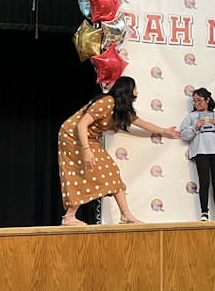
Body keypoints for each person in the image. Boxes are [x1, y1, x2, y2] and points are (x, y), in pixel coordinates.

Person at [58, 76, 179, 226]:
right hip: (73, 135)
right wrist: (86, 150)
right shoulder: (107, 102)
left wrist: (165, 131)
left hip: (89, 138)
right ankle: (69, 217)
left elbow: (143, 124)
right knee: (82, 171)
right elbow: (81, 125)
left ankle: (125, 215)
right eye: (135, 88)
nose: (137, 92)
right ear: (127, 90)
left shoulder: (121, 109)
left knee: (111, 171)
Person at [179, 87, 215, 221]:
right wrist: (195, 127)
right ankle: (204, 212)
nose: (197, 104)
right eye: (194, 101)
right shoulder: (191, 116)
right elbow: (183, 134)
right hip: (200, 151)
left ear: (207, 100)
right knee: (204, 182)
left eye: (199, 100)